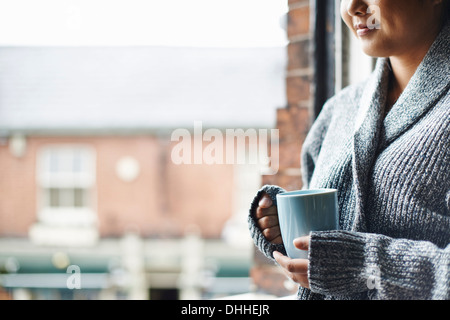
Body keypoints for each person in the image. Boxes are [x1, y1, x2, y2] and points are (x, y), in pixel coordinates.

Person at [248, 0, 450, 300]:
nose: (352, 7)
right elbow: (322, 249)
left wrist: (361, 265)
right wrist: (286, 230)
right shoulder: (339, 110)